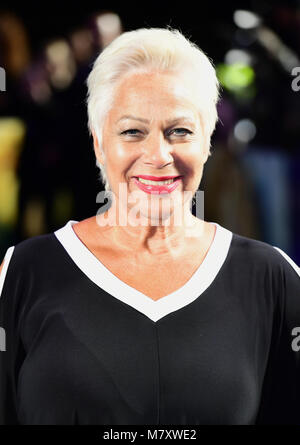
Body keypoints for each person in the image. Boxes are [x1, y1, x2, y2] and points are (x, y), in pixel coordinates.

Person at [0, 27, 299, 425]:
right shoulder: (21, 273)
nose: (158, 156)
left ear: (207, 141)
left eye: (180, 131)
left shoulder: (272, 278)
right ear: (98, 143)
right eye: (132, 131)